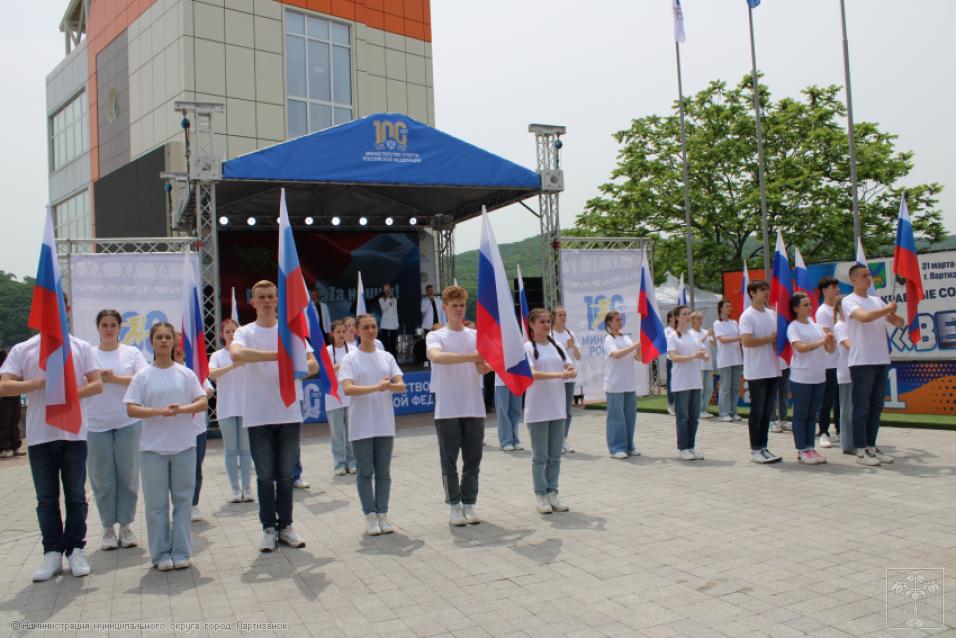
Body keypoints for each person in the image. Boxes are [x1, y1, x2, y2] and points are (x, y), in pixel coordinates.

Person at [0, 328, 102, 581]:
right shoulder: (24, 349)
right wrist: (41, 384)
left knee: (76, 496)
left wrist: (68, 394)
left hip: (73, 434)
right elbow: (4, 386)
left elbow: (97, 384)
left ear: (65, 310)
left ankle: (76, 548)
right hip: (40, 435)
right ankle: (52, 552)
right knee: (46, 499)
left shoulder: (80, 347)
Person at [230, 280, 318, 551]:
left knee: (286, 475)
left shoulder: (291, 332)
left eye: (271, 296)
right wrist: (278, 355)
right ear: (253, 302)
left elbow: (313, 364)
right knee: (265, 476)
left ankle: (286, 526)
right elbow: (236, 354)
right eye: (262, 297)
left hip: (288, 413)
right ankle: (268, 528)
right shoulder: (244, 332)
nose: (267, 301)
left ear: (278, 300)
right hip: (258, 415)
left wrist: (296, 366)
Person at [125, 322, 207, 571]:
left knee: (183, 502)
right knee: (156, 505)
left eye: (167, 337)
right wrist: (158, 412)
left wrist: (181, 409)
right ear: (151, 342)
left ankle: (181, 552)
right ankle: (160, 554)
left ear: (174, 341)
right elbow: (131, 408)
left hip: (184, 447)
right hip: (152, 450)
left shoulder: (186, 374)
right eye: (158, 337)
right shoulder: (142, 377)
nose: (163, 341)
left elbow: (202, 402)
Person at [426, 285, 491, 526]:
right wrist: (473, 358)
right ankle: (454, 505)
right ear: (444, 308)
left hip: (473, 405)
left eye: (462, 305)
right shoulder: (436, 336)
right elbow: (437, 357)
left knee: (473, 460)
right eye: (454, 306)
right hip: (447, 407)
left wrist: (486, 366)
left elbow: (490, 361)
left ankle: (469, 503)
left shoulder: (476, 335)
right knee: (449, 461)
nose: (458, 309)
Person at [86, 309, 148, 551]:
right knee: (101, 478)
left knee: (128, 475)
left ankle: (126, 525)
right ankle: (107, 527)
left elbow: (143, 380)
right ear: (98, 328)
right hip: (96, 423)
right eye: (104, 325)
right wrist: (98, 380)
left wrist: (114, 379)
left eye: (113, 325)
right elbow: (80, 382)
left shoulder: (131, 353)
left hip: (127, 422)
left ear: (120, 327)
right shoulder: (89, 354)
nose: (109, 329)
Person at [340, 314, 405, 536]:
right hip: (361, 424)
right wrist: (376, 388)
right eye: (366, 327)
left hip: (384, 422)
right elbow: (347, 388)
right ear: (357, 331)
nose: (371, 331)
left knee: (383, 472)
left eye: (373, 326)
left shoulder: (386, 357)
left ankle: (383, 514)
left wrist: (389, 386)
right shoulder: (350, 358)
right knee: (365, 472)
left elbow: (401, 385)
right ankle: (370, 515)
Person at [842, 264, 905, 466]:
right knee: (861, 407)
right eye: (864, 275)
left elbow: (898, 323)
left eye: (869, 275)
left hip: (881, 359)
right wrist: (886, 309)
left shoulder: (876, 300)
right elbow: (864, 317)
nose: (868, 278)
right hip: (862, 361)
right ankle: (860, 450)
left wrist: (895, 316)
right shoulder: (849, 300)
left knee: (876, 406)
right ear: (853, 279)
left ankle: (871, 445)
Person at [524, 309, 575, 513]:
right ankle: (541, 495)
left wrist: (569, 371)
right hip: (538, 409)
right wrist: (559, 374)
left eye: (548, 321)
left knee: (555, 456)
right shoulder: (528, 347)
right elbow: (532, 373)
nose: (546, 325)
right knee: (540, 456)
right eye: (542, 321)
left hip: (557, 408)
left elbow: (571, 367)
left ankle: (553, 492)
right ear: (532, 325)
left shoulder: (558, 346)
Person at [787, 292, 835, 465]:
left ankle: (810, 447)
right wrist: (822, 342)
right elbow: (800, 347)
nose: (809, 307)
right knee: (801, 414)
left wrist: (830, 339)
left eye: (810, 304)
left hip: (818, 375)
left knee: (812, 414)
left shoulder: (816, 326)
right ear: (796, 309)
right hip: (802, 377)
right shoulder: (794, 327)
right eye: (805, 305)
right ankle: (802, 450)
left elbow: (830, 350)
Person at [209, 319, 254, 503]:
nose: (231, 334)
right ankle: (235, 488)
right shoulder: (218, 355)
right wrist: (232, 366)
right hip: (226, 408)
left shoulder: (245, 353)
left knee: (245, 450)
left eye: (234, 331)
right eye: (227, 331)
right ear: (222, 334)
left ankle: (247, 487)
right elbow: (211, 374)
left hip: (245, 406)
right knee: (230, 450)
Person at [739, 280, 783, 464]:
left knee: (767, 411)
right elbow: (746, 341)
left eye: (767, 290)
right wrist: (768, 339)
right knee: (757, 410)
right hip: (756, 371)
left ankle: (763, 446)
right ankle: (755, 449)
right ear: (752, 293)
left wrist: (777, 341)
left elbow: (777, 338)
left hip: (773, 368)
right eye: (762, 290)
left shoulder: (772, 314)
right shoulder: (747, 316)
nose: (766, 292)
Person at [173, 344, 214, 522]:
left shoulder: (195, 370)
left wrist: (201, 394)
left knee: (195, 468)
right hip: (176, 430)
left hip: (197, 429)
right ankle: (180, 504)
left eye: (182, 346)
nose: (179, 350)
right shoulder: (168, 371)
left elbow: (209, 391)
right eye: (176, 347)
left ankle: (193, 504)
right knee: (178, 470)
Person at [668, 305, 708, 461]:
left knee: (694, 417)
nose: (687, 316)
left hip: (695, 381)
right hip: (681, 382)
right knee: (683, 416)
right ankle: (683, 447)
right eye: (684, 314)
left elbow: (703, 352)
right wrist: (693, 357)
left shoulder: (693, 335)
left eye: (688, 313)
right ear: (677, 317)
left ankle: (691, 446)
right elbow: (674, 357)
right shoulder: (673, 336)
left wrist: (704, 355)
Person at [603, 310, 640, 459]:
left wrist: (640, 348)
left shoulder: (626, 338)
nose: (620, 322)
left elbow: (637, 357)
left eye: (621, 319)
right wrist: (634, 346)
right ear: (609, 323)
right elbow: (616, 355)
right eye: (617, 320)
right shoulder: (608, 339)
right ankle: (616, 448)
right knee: (616, 417)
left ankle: (629, 445)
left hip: (629, 383)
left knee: (630, 416)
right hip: (614, 384)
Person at [326, 320, 357, 476]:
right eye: (338, 332)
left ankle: (352, 462)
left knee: (351, 431)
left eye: (343, 331)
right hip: (333, 397)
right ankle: (339, 463)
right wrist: (339, 366)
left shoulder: (353, 350)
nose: (341, 334)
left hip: (349, 395)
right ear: (332, 334)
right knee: (336, 433)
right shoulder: (326, 351)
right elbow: (324, 373)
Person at [550, 306, 582, 454]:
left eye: (565, 315)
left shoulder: (570, 334)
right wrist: (564, 346)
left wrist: (573, 346)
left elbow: (578, 356)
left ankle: (563, 438)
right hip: (556, 378)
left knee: (567, 411)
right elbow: (551, 354)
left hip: (569, 379)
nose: (563, 318)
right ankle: (555, 440)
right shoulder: (550, 334)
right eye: (560, 315)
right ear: (553, 317)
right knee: (556, 409)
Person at [815, 276, 841, 448]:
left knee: (841, 400)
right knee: (827, 400)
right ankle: (823, 432)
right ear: (824, 291)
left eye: (837, 287)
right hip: (829, 362)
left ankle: (841, 430)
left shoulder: (841, 309)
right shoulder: (823, 311)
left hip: (843, 361)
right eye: (833, 287)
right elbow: (828, 335)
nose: (837, 290)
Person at [713, 300, 743, 423]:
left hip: (736, 358)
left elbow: (742, 338)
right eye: (727, 306)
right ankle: (723, 413)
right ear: (720, 308)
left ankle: (733, 412)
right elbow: (723, 340)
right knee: (725, 387)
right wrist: (739, 338)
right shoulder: (717, 324)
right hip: (725, 360)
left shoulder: (735, 323)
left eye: (730, 306)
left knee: (735, 387)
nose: (730, 308)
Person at [832, 297, 856, 455]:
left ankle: (860, 440)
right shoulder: (839, 326)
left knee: (858, 409)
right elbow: (848, 345)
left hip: (859, 372)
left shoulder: (854, 325)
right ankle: (847, 444)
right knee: (847, 410)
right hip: (846, 373)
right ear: (839, 308)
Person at [689, 311, 715, 420]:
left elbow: (715, 345)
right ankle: (698, 410)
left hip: (708, 364)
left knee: (709, 388)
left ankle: (704, 409)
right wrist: (706, 336)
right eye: (698, 318)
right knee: (700, 389)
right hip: (698, 365)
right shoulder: (690, 333)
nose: (701, 320)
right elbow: (696, 345)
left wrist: (713, 336)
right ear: (693, 320)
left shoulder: (705, 332)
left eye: (701, 318)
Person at [0, 349, 24, 458]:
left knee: (14, 423)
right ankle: (3, 448)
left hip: (14, 397)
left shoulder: (12, 367)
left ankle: (15, 447)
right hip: (4, 399)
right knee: (4, 424)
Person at [494, 374, 523, 451]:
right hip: (502, 381)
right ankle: (506, 441)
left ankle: (515, 440)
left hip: (517, 380)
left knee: (516, 411)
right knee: (503, 412)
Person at [770, 357, 791, 433]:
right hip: (772, 363)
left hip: (785, 363)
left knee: (784, 393)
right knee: (772, 394)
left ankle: (782, 420)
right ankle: (771, 422)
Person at [378, 282, 399, 355]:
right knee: (385, 343)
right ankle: (385, 356)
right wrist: (388, 299)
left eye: (388, 288)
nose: (387, 290)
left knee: (393, 343)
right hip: (385, 324)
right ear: (383, 290)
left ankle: (394, 357)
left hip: (393, 324)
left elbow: (394, 312)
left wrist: (397, 323)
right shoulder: (381, 299)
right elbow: (383, 308)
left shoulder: (394, 299)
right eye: (386, 288)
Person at [664, 310, 677, 416]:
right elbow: (668, 344)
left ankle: (678, 404)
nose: (675, 319)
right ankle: (671, 404)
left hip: (680, 359)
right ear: (669, 318)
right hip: (671, 359)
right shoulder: (667, 330)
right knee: (671, 382)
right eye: (673, 317)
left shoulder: (678, 329)